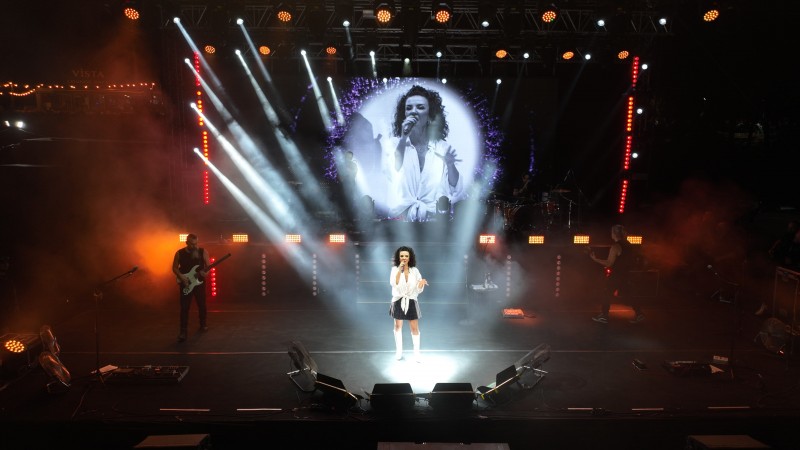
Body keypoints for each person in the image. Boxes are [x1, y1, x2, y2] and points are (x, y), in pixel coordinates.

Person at [385, 85, 465, 222]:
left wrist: (451, 165)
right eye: (409, 108)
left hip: (434, 221)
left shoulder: (441, 147)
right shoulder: (395, 144)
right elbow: (392, 171)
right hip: (401, 220)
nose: (413, 111)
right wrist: (404, 138)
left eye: (420, 107)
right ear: (404, 114)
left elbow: (456, 188)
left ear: (429, 115)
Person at [589, 224, 645, 324]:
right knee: (629, 294)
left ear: (614, 234)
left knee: (607, 293)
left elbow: (609, 263)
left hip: (617, 275)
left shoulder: (616, 246)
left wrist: (595, 259)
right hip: (626, 274)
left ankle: (604, 316)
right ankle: (639, 313)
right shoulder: (628, 244)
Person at [389, 246, 428, 361]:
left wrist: (421, 283)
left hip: (411, 299)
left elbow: (418, 289)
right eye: (402, 256)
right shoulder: (395, 269)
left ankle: (417, 354)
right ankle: (399, 352)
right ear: (398, 257)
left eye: (406, 256)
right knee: (397, 326)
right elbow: (393, 283)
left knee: (414, 328)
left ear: (410, 257)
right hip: (398, 299)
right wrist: (399, 270)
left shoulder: (414, 270)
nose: (404, 258)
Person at [172, 233, 211, 342]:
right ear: (187, 243)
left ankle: (203, 324)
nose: (195, 246)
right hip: (186, 283)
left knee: (202, 305)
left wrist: (206, 273)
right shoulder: (179, 253)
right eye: (192, 244)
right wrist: (181, 277)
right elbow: (174, 268)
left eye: (196, 244)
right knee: (184, 307)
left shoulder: (203, 251)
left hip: (199, 283)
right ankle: (183, 331)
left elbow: (208, 266)